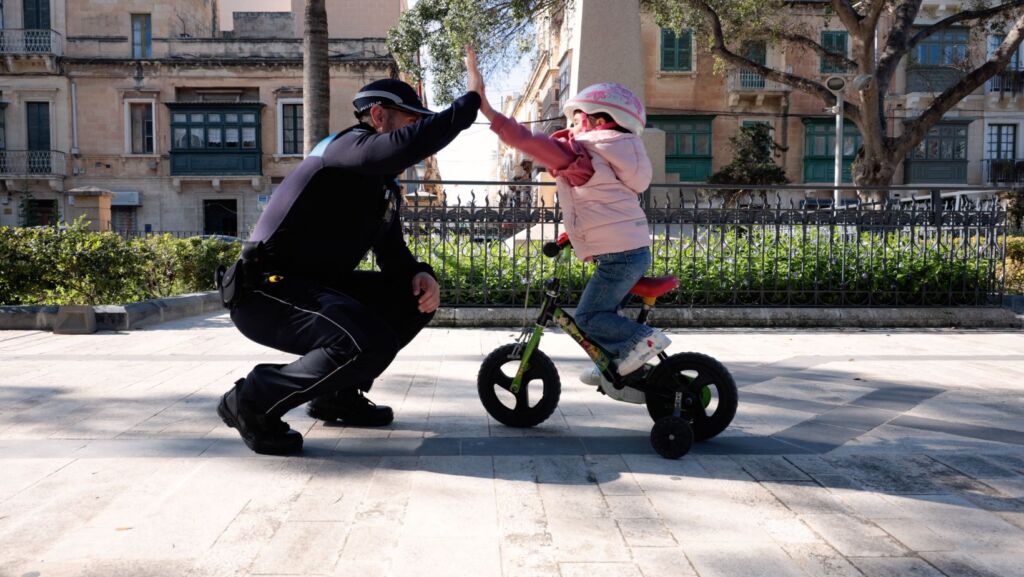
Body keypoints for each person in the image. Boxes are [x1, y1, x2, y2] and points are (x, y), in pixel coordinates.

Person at [216, 77, 482, 454]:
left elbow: (393, 255)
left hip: (317, 290)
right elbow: (402, 146)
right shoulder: (340, 149)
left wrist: (421, 274)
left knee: (409, 297)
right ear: (378, 116)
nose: (416, 135)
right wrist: (466, 106)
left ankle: (338, 396)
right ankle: (253, 401)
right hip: (265, 291)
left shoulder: (381, 188)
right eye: (410, 122)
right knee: (364, 341)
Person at [466, 47, 669, 402]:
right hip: (628, 252)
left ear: (598, 122)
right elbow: (605, 208)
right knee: (604, 312)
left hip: (620, 259)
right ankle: (619, 362)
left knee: (589, 318)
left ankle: (641, 342)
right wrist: (569, 236)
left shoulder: (582, 155)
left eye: (575, 120)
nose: (569, 127)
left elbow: (526, 141)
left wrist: (486, 107)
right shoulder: (619, 156)